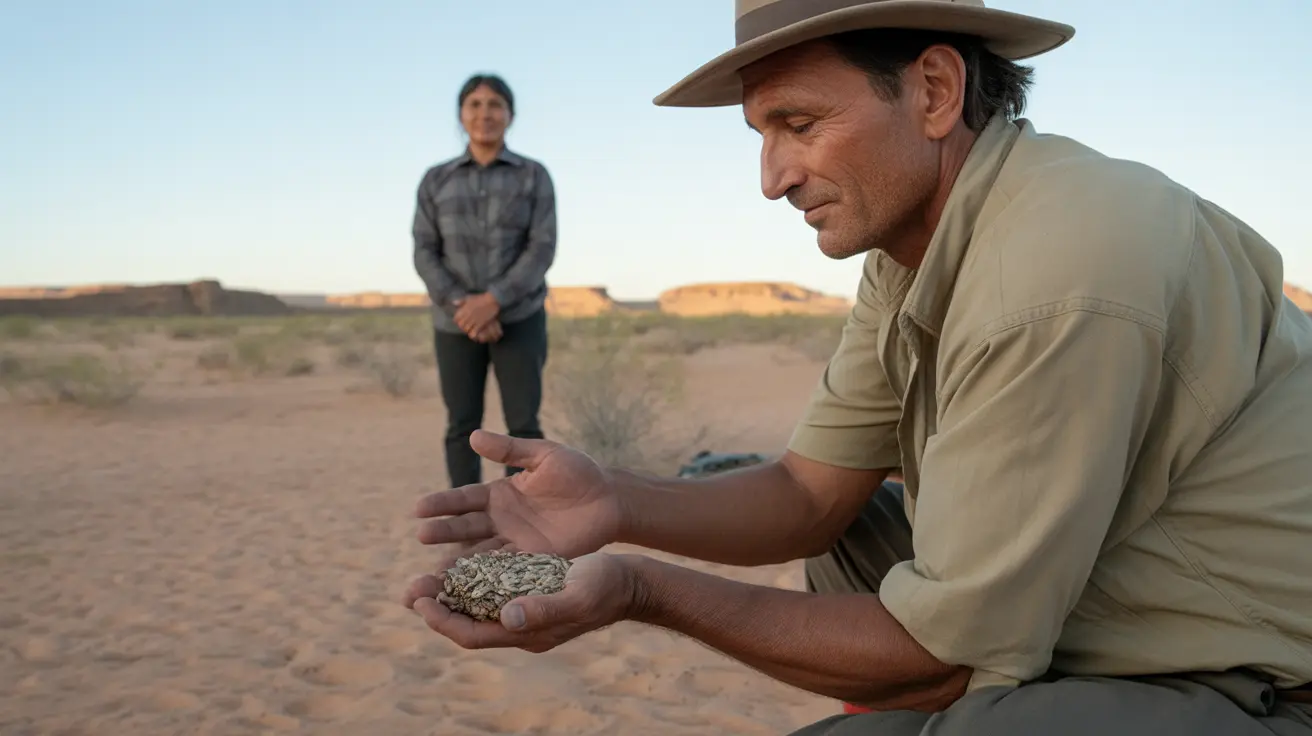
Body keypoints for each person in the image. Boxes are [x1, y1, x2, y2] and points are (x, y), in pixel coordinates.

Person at [402, 2, 1312, 734]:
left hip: (1261, 669)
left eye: (798, 124)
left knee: (969, 710)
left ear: (935, 91)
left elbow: (946, 656)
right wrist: (615, 501)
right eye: (762, 134)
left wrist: (641, 588)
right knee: (852, 535)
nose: (772, 177)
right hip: (1100, 592)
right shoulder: (911, 248)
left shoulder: (1055, 266)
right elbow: (808, 495)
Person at [411, 73, 556, 488]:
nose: (484, 114)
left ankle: (525, 514)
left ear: (510, 115)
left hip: (520, 319)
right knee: (462, 426)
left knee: (523, 428)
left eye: (495, 105)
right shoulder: (436, 180)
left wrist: (493, 302)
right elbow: (425, 250)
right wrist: (465, 307)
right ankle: (467, 516)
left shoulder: (533, 176)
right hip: (453, 323)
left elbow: (541, 248)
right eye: (474, 105)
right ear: (461, 115)